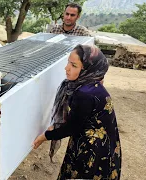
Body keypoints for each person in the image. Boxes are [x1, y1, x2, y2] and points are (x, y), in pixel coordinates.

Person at [33, 45, 121, 179]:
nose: (66, 68)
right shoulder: (93, 84)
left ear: (88, 69)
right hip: (106, 146)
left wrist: (45, 136)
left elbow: (70, 128)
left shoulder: (84, 93)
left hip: (91, 152)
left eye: (74, 65)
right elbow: (77, 118)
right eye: (68, 62)